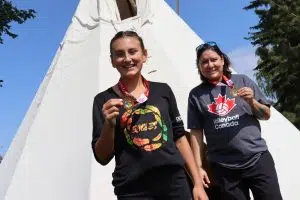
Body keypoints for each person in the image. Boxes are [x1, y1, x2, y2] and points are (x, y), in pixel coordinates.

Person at [91, 30, 208, 200]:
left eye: (133, 51)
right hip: (132, 189)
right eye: (119, 54)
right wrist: (109, 125)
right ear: (112, 61)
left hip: (174, 183)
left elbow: (180, 138)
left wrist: (197, 183)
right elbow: (102, 157)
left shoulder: (163, 90)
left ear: (144, 55)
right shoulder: (104, 100)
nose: (127, 58)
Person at [188, 41, 283, 200]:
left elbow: (266, 115)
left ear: (222, 60)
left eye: (214, 59)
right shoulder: (196, 95)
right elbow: (196, 132)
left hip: (257, 158)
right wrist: (198, 167)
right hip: (224, 167)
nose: (210, 65)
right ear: (199, 66)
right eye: (204, 62)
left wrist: (252, 102)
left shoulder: (242, 81)